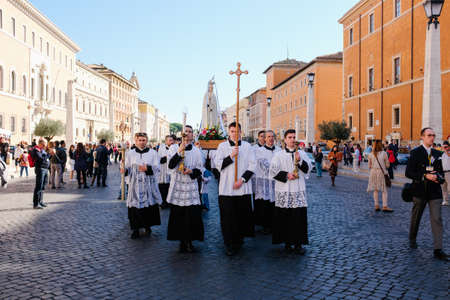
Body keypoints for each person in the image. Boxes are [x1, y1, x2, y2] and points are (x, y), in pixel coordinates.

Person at [406, 127, 448, 261]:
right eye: (429, 135)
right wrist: (425, 176)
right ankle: (412, 238)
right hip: (420, 191)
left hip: (435, 192)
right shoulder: (415, 152)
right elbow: (408, 172)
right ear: (422, 137)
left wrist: (439, 177)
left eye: (433, 135)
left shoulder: (438, 153)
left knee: (437, 219)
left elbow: (441, 171)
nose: (432, 137)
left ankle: (438, 249)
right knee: (416, 217)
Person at [214, 122, 256, 256]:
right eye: (232, 131)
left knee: (241, 215)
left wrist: (242, 180)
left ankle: (239, 239)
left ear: (241, 132)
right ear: (229, 132)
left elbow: (253, 165)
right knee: (228, 217)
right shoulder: (222, 146)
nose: (234, 134)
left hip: (242, 187)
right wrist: (231, 156)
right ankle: (229, 243)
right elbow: (218, 164)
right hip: (227, 188)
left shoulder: (248, 146)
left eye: (237, 131)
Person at [270, 129, 312, 254]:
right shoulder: (278, 155)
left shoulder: (302, 154)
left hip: (297, 189)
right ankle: (287, 243)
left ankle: (298, 244)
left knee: (298, 218)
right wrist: (286, 175)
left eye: (294, 137)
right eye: (290, 137)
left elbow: (308, 169)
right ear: (285, 139)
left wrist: (300, 162)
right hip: (284, 189)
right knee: (285, 217)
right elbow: (272, 171)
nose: (292, 139)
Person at [167, 125, 204, 253]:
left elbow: (200, 169)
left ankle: (189, 241)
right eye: (185, 132)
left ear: (192, 135)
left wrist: (191, 171)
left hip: (190, 186)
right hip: (178, 185)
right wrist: (179, 151)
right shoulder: (173, 148)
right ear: (181, 134)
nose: (187, 134)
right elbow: (171, 165)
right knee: (179, 215)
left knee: (191, 215)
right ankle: (181, 240)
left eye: (190, 132)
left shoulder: (197, 151)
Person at [121, 133, 162, 239]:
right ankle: (135, 229)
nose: (142, 142)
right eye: (139, 140)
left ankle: (147, 226)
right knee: (135, 207)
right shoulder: (130, 153)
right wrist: (123, 170)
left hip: (148, 183)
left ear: (147, 141)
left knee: (148, 206)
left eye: (144, 140)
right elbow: (127, 167)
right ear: (135, 141)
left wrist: (147, 168)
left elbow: (157, 168)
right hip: (135, 184)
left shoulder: (153, 153)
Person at [253, 130, 280, 234]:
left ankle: (275, 224)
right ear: (265, 139)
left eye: (272, 136)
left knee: (275, 204)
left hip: (277, 182)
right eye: (268, 136)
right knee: (265, 204)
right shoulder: (259, 151)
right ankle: (265, 225)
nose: (271, 138)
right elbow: (263, 166)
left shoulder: (279, 150)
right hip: (265, 181)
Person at [367, 140, 393, 212]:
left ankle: (376, 205)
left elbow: (369, 166)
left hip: (373, 172)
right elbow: (387, 165)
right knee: (384, 190)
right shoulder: (384, 153)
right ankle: (384, 206)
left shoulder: (370, 154)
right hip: (381, 172)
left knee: (375, 190)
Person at [31, 138, 50, 209]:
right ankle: (35, 204)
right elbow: (41, 159)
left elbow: (46, 159)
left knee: (43, 186)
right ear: (41, 144)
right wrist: (48, 154)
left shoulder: (42, 150)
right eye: (44, 144)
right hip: (40, 169)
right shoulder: (36, 150)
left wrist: (49, 154)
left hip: (45, 169)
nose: (45, 146)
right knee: (38, 186)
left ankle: (40, 201)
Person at [158, 135, 174, 209]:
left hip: (171, 171)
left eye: (172, 140)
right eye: (170, 140)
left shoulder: (175, 148)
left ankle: (169, 202)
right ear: (166, 141)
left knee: (169, 187)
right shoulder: (161, 148)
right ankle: (163, 202)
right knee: (162, 187)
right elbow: (160, 159)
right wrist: (168, 157)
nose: (171, 142)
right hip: (163, 170)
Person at [441, 141, 449, 206]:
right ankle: (445, 201)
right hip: (443, 173)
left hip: (449, 172)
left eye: (446, 147)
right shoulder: (442, 154)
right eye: (443, 147)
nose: (444, 148)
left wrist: (447, 151)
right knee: (444, 188)